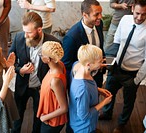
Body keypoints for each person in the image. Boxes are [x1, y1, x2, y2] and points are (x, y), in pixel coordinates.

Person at [8, 12, 61, 133]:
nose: (25, 35)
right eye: (24, 31)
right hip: (22, 85)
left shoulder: (53, 43)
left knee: (38, 118)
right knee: (17, 118)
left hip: (42, 88)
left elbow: (59, 68)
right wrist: (20, 70)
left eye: (29, 32)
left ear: (39, 29)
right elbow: (10, 61)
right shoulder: (19, 38)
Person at [100, 0, 146, 132]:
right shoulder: (125, 19)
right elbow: (116, 42)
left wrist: (136, 80)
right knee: (109, 91)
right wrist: (109, 65)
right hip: (117, 67)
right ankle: (107, 113)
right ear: (132, 9)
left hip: (133, 72)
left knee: (128, 101)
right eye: (137, 13)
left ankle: (121, 124)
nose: (140, 18)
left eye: (144, 14)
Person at [61, 0, 106, 132]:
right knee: (79, 112)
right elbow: (67, 64)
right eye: (96, 14)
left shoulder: (98, 24)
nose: (100, 17)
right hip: (81, 82)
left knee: (92, 104)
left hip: (95, 77)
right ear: (84, 15)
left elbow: (99, 48)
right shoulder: (72, 36)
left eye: (101, 13)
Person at [69, 44, 112, 133]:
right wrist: (104, 102)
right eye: (100, 62)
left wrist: (98, 89)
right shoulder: (83, 89)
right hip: (84, 127)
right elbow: (84, 116)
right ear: (89, 64)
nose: (102, 64)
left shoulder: (78, 65)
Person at [37, 41, 68, 133]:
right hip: (49, 114)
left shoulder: (55, 80)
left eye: (42, 54)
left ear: (47, 59)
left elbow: (64, 108)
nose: (41, 56)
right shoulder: (60, 64)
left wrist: (44, 118)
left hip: (52, 120)